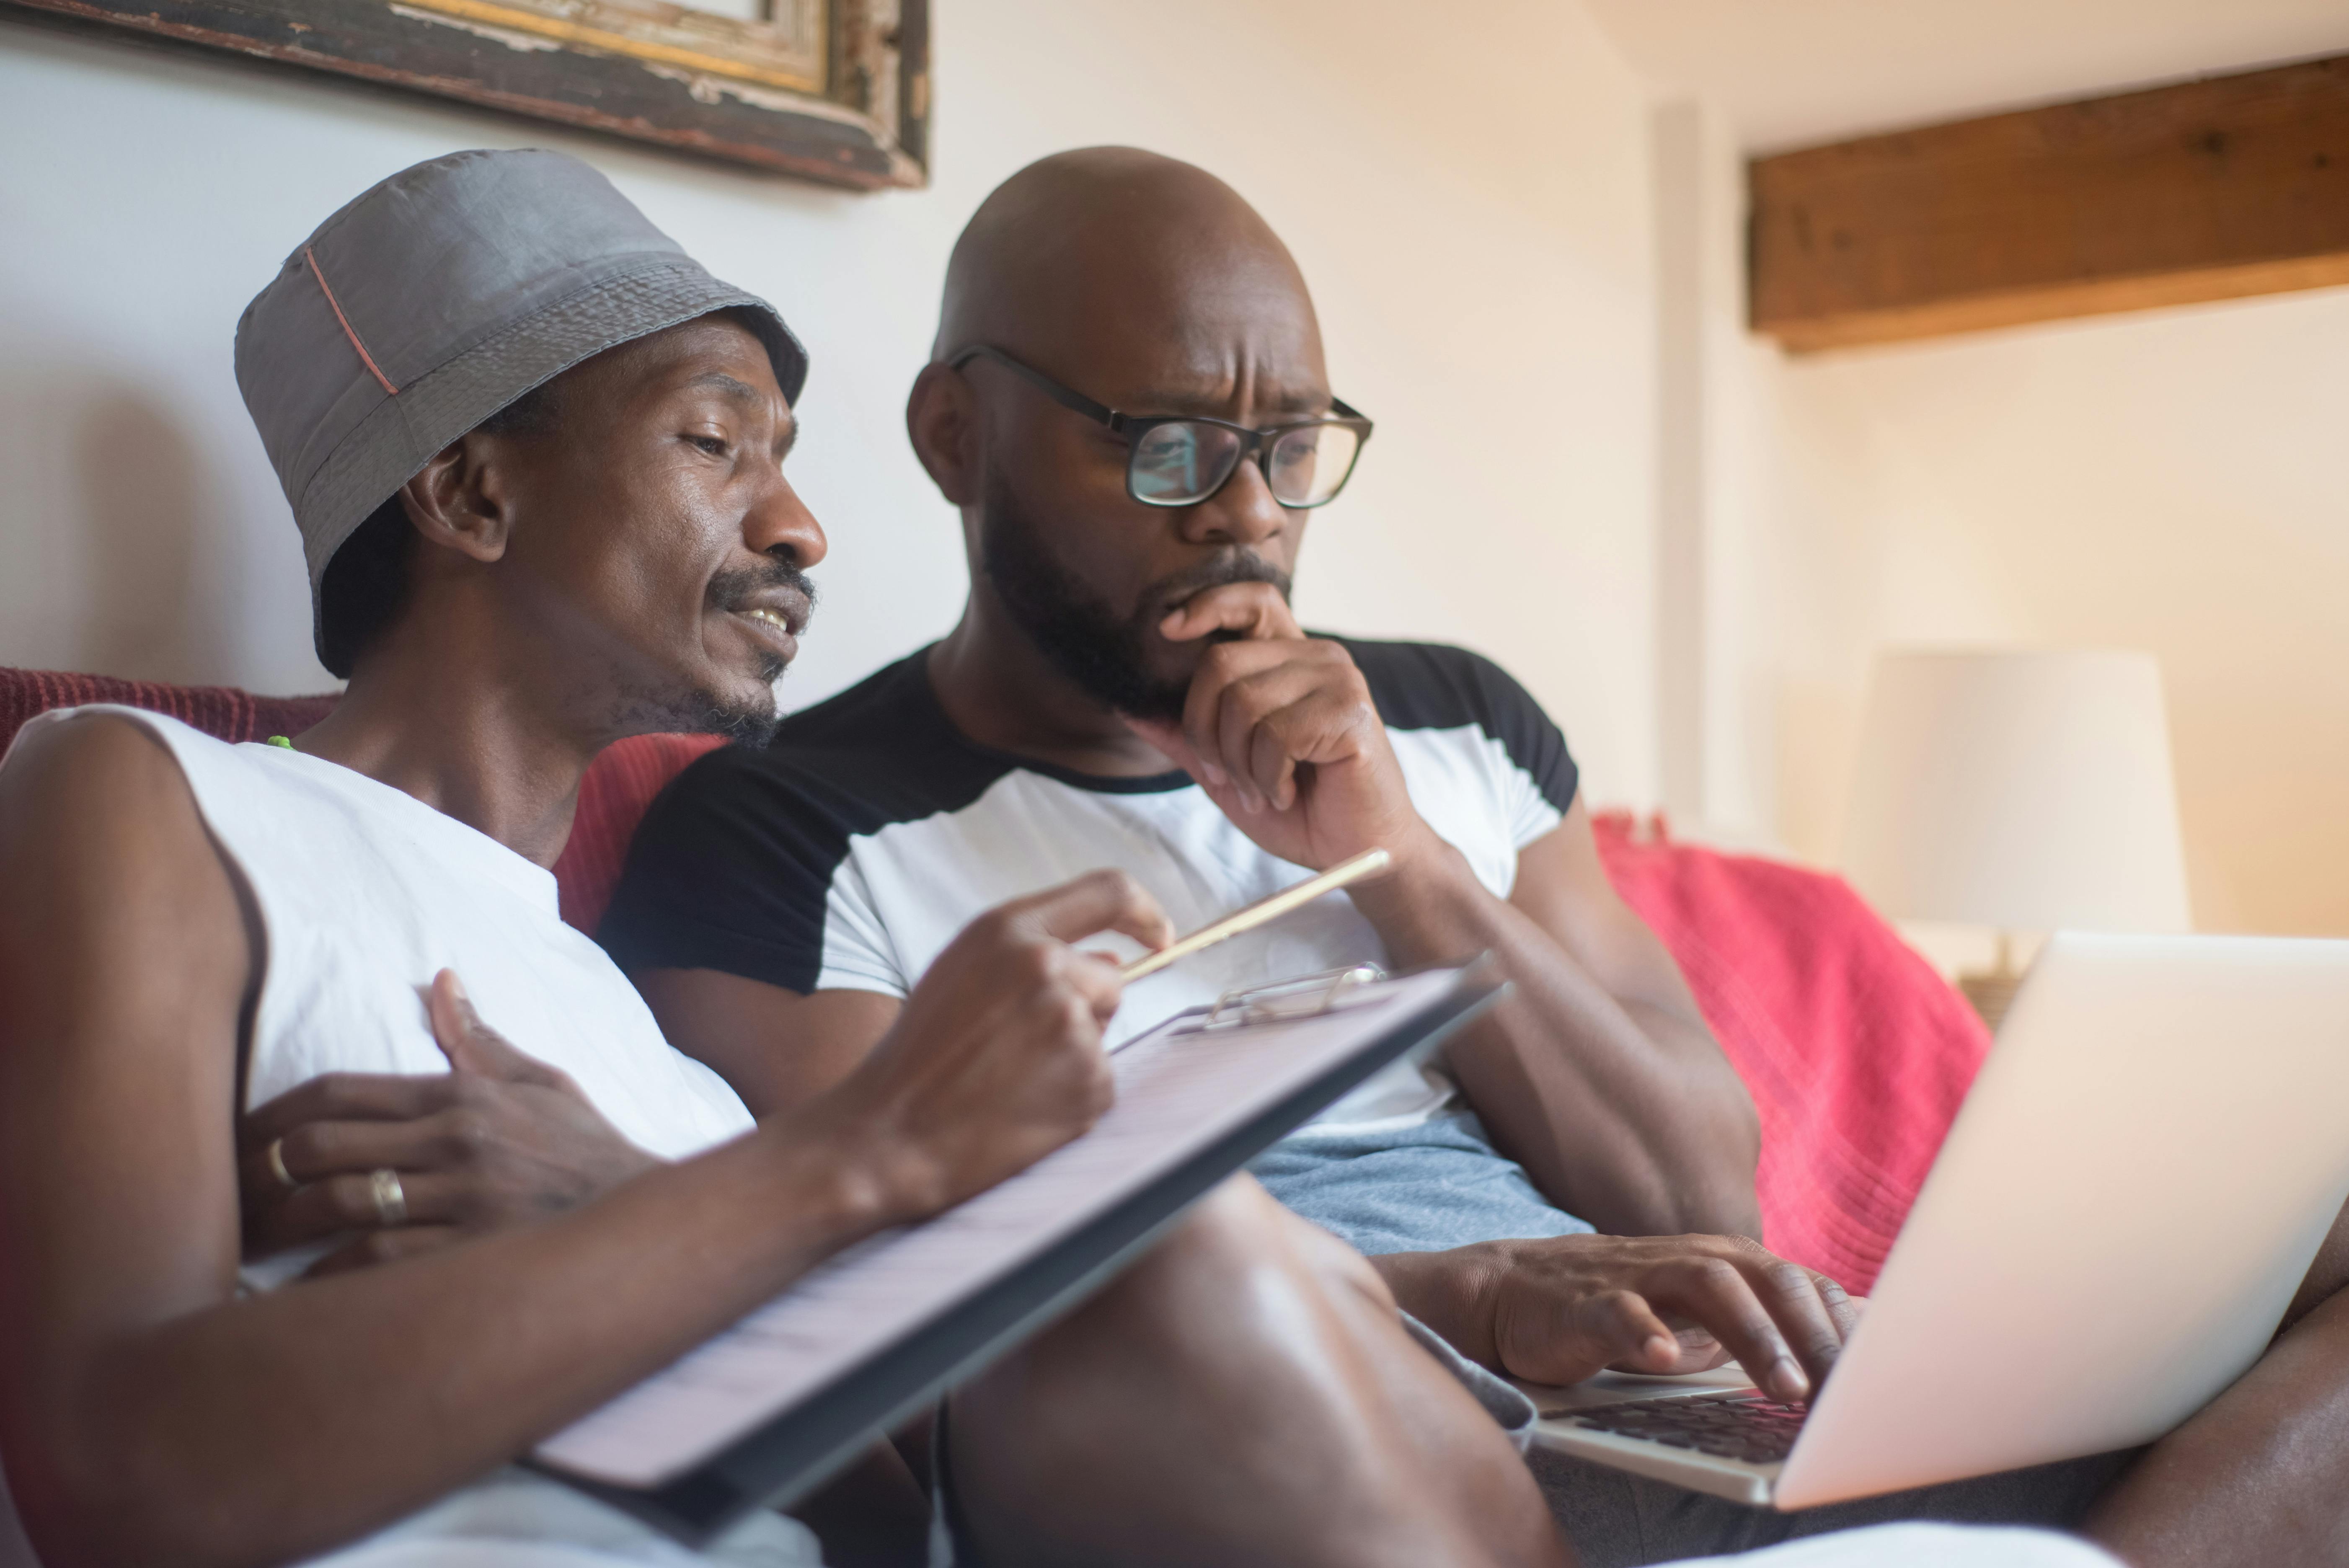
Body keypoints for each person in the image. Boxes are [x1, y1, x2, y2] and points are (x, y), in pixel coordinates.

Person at [588, 147, 2349, 1566]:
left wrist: (1403, 866)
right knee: (1204, 1297)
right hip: (1361, 1430)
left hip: (1669, 1402)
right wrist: (1487, 1298)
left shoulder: (1450, 729)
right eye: (1170, 445)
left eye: (1289, 448)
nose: (1250, 513)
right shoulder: (780, 836)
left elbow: (1696, 1193)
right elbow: (935, 1307)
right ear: (955, 435)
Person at [0, 147, 1581, 1568]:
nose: (804, 526)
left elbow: (906, 1519)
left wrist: (652, 1215)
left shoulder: (637, 1042)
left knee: (1186, 1253)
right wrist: (849, 1162)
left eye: (788, 454)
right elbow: (121, 1474)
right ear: (472, 492)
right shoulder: (151, 797)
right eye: (715, 442)